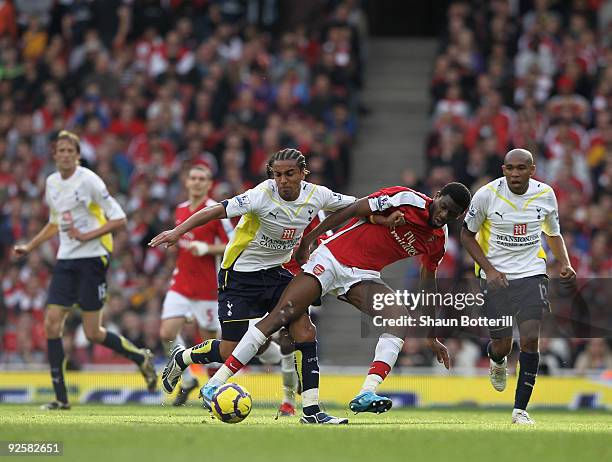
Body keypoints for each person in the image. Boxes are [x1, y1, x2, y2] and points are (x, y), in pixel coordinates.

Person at [196, 182, 471, 415]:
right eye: (443, 206)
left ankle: (366, 394)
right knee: (281, 315)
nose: (443, 214)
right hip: (332, 258)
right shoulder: (406, 199)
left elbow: (428, 281)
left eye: (452, 214)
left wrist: (431, 335)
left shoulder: (437, 240)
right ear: (436, 197)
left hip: (363, 275)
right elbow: (354, 209)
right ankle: (215, 383)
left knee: (398, 319)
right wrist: (310, 239)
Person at [150, 148, 362, 424]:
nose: (283, 180)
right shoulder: (261, 194)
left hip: (276, 273)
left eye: (289, 174)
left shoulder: (317, 195)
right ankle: (183, 358)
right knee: (229, 350)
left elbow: (358, 204)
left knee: (305, 332)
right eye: (277, 175)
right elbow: (217, 210)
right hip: (238, 275)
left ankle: (311, 410)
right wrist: (178, 232)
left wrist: (387, 211)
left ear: (303, 174)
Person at [13, 130, 157, 410]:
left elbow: (119, 219)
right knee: (52, 322)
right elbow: (56, 222)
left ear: (78, 156)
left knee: (93, 332)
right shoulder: (52, 182)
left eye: (71, 151)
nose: (65, 155)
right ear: (54, 154)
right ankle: (61, 397)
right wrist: (30, 246)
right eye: (61, 150)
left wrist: (87, 236)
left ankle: (141, 357)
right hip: (66, 258)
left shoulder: (89, 181)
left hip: (93, 257)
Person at [460, 148, 576, 425]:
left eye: (521, 168)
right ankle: (497, 360)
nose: (515, 173)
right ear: (503, 169)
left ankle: (520, 410)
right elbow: (466, 235)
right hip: (495, 276)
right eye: (510, 168)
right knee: (502, 344)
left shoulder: (545, 195)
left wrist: (566, 263)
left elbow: (553, 232)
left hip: (532, 273)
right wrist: (489, 270)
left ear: (532, 170)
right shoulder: (486, 194)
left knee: (530, 339)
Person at [159, 165, 232, 405]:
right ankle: (188, 378)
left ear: (209, 184)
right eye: (193, 178)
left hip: (207, 288)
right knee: (166, 333)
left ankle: (211, 391)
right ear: (187, 182)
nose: (197, 182)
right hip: (181, 283)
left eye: (202, 179)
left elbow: (234, 244)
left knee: (210, 340)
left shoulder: (216, 211)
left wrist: (208, 249)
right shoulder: (180, 210)